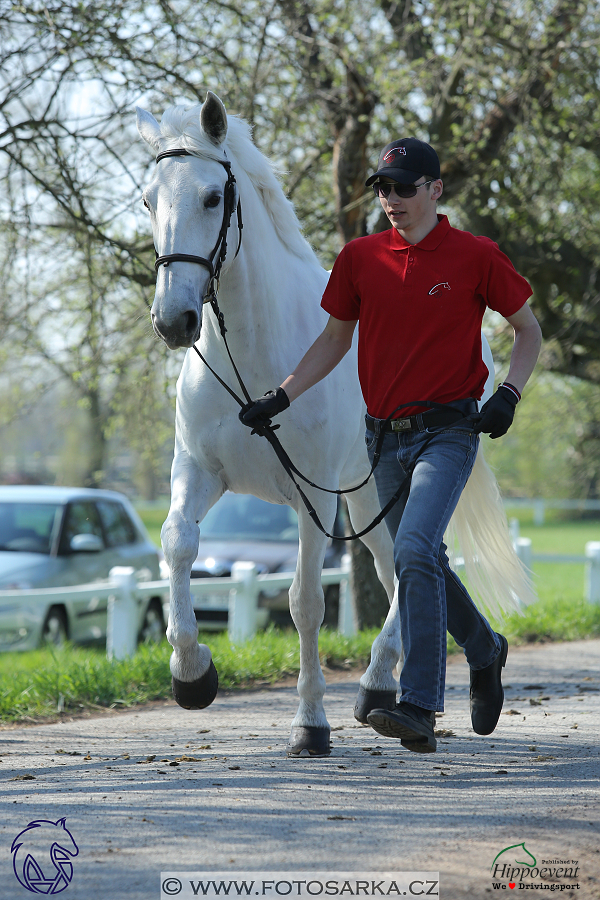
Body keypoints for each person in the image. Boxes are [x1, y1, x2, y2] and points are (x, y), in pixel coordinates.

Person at [240, 138, 542, 754]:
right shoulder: (359, 258)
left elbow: (528, 330)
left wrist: (508, 392)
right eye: (383, 188)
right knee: (423, 558)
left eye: (405, 187)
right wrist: (282, 396)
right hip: (383, 438)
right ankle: (484, 650)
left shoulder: (476, 256)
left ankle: (420, 706)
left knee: (411, 551)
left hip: (450, 433)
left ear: (435, 189)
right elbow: (332, 341)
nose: (392, 199)